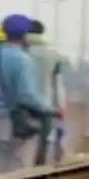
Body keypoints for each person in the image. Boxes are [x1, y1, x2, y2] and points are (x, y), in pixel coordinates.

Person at [0, 14, 53, 175]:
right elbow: (26, 96)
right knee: (19, 178)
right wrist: (48, 108)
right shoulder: (23, 60)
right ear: (25, 35)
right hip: (18, 128)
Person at [26, 20, 65, 165]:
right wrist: (60, 107)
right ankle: (39, 173)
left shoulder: (19, 53)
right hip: (46, 106)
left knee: (23, 148)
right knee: (43, 144)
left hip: (24, 106)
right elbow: (58, 84)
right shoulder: (53, 54)